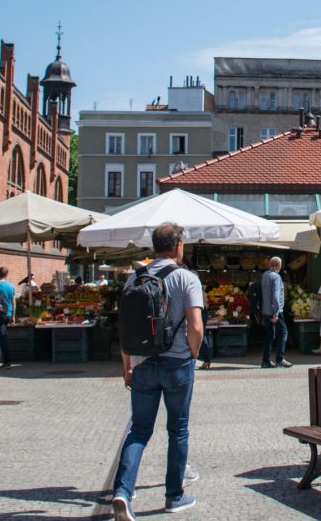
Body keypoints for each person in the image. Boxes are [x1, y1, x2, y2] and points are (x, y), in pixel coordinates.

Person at [112, 222, 203, 520]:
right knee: (177, 429)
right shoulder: (186, 278)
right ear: (178, 245)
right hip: (177, 364)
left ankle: (123, 492)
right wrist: (192, 353)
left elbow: (125, 330)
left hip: (142, 364)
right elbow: (196, 327)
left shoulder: (133, 280)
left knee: (138, 430)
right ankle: (174, 496)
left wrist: (127, 367)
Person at [260, 256, 291, 369]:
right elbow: (275, 295)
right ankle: (280, 359)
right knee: (283, 333)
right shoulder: (276, 277)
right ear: (279, 265)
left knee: (269, 335)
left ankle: (265, 361)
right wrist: (276, 313)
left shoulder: (264, 275)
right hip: (275, 311)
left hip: (265, 310)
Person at [197, 289, 211, 371]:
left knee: (202, 336)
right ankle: (206, 360)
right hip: (203, 312)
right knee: (202, 335)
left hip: (200, 312)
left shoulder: (198, 292)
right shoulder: (203, 293)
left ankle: (206, 360)